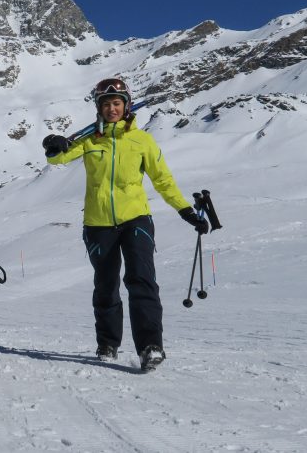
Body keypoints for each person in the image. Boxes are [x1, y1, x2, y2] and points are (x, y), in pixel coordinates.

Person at [42, 78, 209, 372]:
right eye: (106, 104)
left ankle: (150, 347)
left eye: (117, 103)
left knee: (141, 280)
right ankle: (108, 343)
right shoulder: (90, 140)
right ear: (99, 108)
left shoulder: (142, 140)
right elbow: (59, 158)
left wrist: (185, 210)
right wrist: (52, 146)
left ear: (126, 106)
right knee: (106, 286)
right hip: (98, 223)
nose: (111, 108)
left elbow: (162, 179)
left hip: (136, 219)